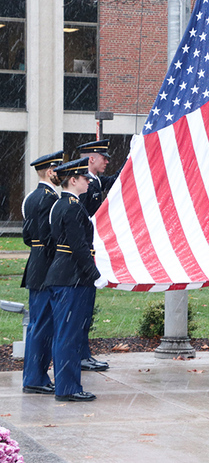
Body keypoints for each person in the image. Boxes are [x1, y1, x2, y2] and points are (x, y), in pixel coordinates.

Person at [44, 157, 101, 402]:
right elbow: (79, 246)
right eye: (84, 178)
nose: (88, 181)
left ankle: (66, 385)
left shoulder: (59, 204)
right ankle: (68, 388)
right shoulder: (73, 207)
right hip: (72, 278)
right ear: (73, 180)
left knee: (63, 333)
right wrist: (95, 274)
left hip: (62, 274)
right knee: (69, 334)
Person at [20, 150, 64, 395]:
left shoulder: (31, 197)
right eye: (58, 170)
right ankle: (36, 378)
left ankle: (33, 375)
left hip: (36, 264)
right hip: (47, 267)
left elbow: (28, 236)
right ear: (50, 171)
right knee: (43, 325)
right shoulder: (50, 199)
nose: (60, 174)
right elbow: (51, 237)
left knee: (37, 323)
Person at [76, 138, 119, 372]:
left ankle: (84, 354)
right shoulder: (83, 185)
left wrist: (135, 155)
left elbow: (117, 181)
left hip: (89, 250)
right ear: (91, 158)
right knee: (81, 309)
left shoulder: (94, 181)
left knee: (86, 310)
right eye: (104, 157)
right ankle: (81, 355)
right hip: (83, 253)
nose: (107, 161)